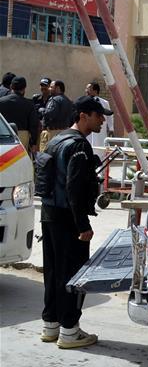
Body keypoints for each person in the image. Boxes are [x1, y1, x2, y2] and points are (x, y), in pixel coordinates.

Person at [39, 95, 112, 349]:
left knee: (53, 273)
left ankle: (51, 325)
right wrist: (83, 225)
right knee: (72, 276)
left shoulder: (56, 140)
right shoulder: (79, 146)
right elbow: (74, 189)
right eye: (98, 116)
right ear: (83, 116)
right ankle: (70, 331)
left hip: (49, 215)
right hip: (68, 220)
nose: (102, 121)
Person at [0, 76, 40, 154]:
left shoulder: (1, 102)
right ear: (24, 88)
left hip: (4, 137)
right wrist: (34, 143)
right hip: (22, 139)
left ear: (11, 86)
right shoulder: (29, 104)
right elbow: (33, 125)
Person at [40, 80, 74, 151]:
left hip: (52, 133)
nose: (49, 89)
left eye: (51, 87)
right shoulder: (69, 101)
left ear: (58, 88)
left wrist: (42, 110)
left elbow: (49, 114)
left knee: (46, 154)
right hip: (65, 133)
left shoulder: (54, 100)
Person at [84, 82, 114, 149]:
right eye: (86, 89)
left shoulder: (104, 103)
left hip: (100, 131)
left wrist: (111, 128)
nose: (86, 91)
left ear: (95, 91)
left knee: (100, 148)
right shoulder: (84, 102)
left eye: (88, 89)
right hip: (88, 132)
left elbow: (109, 116)